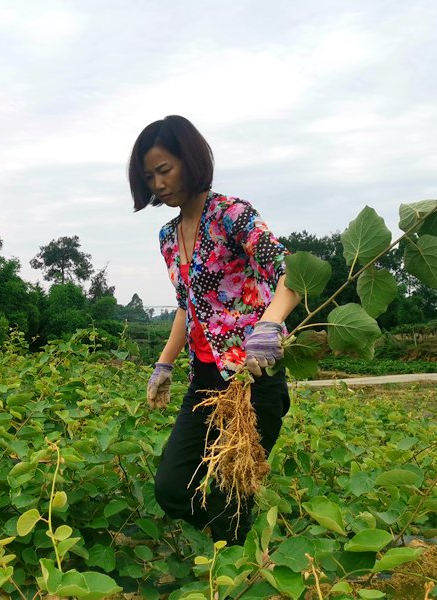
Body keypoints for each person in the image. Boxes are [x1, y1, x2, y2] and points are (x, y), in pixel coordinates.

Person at [128, 115, 301, 545]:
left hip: (253, 377)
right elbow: (189, 306)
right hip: (204, 382)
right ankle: (236, 543)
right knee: (172, 487)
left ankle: (239, 562)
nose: (158, 184)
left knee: (234, 489)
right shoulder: (169, 236)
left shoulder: (233, 216)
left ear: (190, 160)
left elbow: (292, 273)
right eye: (149, 176)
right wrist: (164, 364)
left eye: (164, 170)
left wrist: (270, 322)